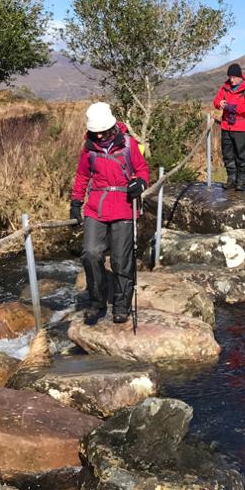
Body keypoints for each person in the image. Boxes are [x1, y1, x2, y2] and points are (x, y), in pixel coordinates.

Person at [69, 102, 149, 324]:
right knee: (90, 254)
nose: (101, 135)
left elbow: (142, 169)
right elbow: (82, 175)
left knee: (121, 260)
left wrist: (140, 183)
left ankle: (121, 306)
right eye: (97, 132)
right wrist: (76, 202)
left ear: (112, 126)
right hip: (97, 207)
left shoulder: (128, 144)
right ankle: (96, 302)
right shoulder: (89, 148)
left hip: (124, 206)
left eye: (103, 130)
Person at [213, 63, 245, 191]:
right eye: (229, 77)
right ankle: (231, 179)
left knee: (241, 155)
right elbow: (216, 101)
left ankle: (242, 180)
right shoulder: (225, 87)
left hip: (241, 126)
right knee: (227, 155)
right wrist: (219, 103)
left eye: (233, 77)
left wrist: (234, 108)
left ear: (239, 76)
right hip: (226, 125)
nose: (231, 80)